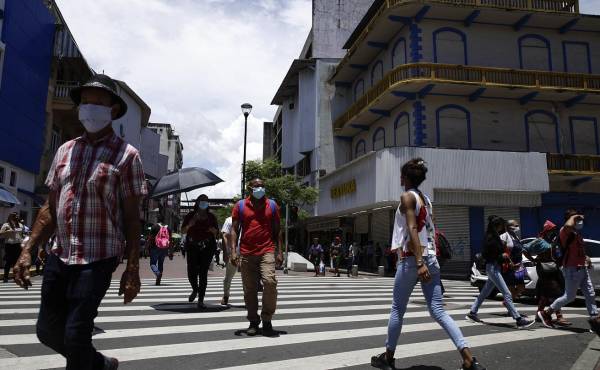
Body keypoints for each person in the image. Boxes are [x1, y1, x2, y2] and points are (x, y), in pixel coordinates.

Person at [13, 74, 145, 370]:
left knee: (75, 335)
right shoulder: (65, 150)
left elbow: (132, 217)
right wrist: (27, 248)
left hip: (98, 257)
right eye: (85, 102)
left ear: (112, 110)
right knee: (46, 331)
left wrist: (133, 268)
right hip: (60, 254)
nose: (90, 108)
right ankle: (100, 364)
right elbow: (50, 206)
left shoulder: (127, 156)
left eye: (98, 103)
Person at [371, 158, 485, 370]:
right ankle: (469, 359)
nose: (399, 178)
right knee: (439, 311)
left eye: (401, 174)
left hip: (414, 259)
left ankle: (388, 357)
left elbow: (413, 229)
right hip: (431, 258)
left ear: (405, 177)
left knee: (397, 309)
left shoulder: (407, 196)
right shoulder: (426, 199)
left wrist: (419, 262)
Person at [230, 178, 283, 337]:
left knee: (270, 282)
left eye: (262, 186)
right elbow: (234, 230)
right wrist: (233, 251)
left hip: (267, 250)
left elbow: (277, 230)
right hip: (246, 252)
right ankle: (253, 321)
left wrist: (280, 251)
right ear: (250, 188)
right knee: (250, 289)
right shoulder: (240, 206)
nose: (260, 188)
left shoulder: (272, 205)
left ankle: (267, 319)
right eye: (257, 186)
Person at [538, 210, 600, 335]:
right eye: (576, 219)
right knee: (569, 296)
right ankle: (546, 313)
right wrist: (575, 216)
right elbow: (567, 225)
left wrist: (586, 257)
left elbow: (577, 250)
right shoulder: (564, 231)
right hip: (571, 269)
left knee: (590, 294)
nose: (579, 221)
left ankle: (595, 321)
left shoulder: (576, 233)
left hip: (582, 268)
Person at [466, 216, 533, 328]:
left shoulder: (495, 236)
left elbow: (501, 253)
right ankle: (518, 319)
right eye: (501, 224)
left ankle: (472, 312)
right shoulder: (491, 238)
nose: (503, 227)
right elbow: (489, 254)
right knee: (506, 293)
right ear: (497, 226)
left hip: (496, 267)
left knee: (484, 293)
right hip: (493, 268)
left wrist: (506, 259)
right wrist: (501, 255)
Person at [523, 221, 570, 326]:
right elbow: (525, 249)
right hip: (544, 269)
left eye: (554, 230)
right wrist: (533, 260)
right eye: (551, 230)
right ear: (547, 231)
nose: (553, 232)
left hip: (554, 268)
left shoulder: (554, 241)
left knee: (547, 293)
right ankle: (559, 316)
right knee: (555, 291)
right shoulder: (539, 241)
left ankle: (539, 314)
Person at [181, 194, 219, 309]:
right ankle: (195, 289)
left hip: (207, 247)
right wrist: (190, 224)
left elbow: (217, 233)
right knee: (191, 272)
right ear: (197, 203)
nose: (204, 203)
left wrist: (213, 231)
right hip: (192, 246)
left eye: (206, 201)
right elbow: (183, 230)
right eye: (202, 201)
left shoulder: (211, 217)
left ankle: (201, 300)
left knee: (203, 273)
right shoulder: (190, 215)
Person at [500, 220, 527, 311]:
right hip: (509, 266)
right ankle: (511, 310)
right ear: (508, 226)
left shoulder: (516, 237)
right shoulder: (504, 236)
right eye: (516, 225)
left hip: (518, 266)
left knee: (521, 287)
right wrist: (511, 263)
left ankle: (507, 302)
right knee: (510, 289)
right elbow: (503, 251)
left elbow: (521, 250)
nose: (517, 227)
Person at [0, 212, 24, 282]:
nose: (16, 217)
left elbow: (21, 235)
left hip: (18, 245)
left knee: (16, 262)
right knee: (8, 261)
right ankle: (5, 277)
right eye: (14, 216)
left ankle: (15, 277)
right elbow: (0, 233)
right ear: (11, 217)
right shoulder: (6, 225)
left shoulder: (20, 225)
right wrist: (8, 231)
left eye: (17, 216)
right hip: (9, 245)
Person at [149, 215, 170, 286]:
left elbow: (151, 238)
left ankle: (158, 274)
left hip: (155, 247)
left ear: (157, 219)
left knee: (152, 263)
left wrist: (147, 247)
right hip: (164, 248)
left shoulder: (154, 227)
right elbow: (171, 240)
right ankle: (158, 280)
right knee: (161, 263)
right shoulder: (168, 228)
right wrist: (171, 252)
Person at [220, 216, 237, 305]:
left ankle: (249, 298)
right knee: (228, 277)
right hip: (232, 252)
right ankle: (226, 295)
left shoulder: (249, 218)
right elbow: (224, 236)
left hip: (246, 252)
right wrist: (226, 252)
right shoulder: (229, 220)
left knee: (248, 278)